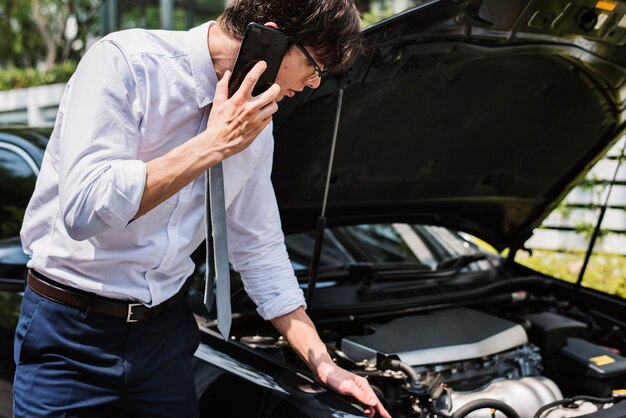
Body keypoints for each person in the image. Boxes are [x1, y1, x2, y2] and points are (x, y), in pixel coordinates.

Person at [14, 0, 391, 417]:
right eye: (315, 66)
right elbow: (85, 209)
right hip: (69, 333)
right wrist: (212, 145)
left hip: (165, 335)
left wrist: (323, 363)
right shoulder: (126, 62)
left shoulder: (255, 127)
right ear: (272, 38)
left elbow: (260, 249)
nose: (314, 84)